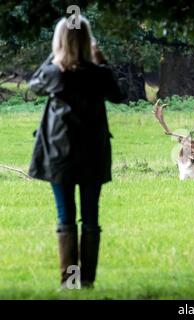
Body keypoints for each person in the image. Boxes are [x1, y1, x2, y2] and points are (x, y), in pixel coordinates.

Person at [28, 16, 126, 289]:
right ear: (87, 42)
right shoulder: (99, 74)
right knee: (91, 216)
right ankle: (87, 281)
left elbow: (34, 85)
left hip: (59, 155)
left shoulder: (53, 73)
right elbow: (119, 96)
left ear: (59, 42)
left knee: (65, 216)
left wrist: (54, 55)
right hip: (93, 154)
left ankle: (68, 281)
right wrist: (102, 60)